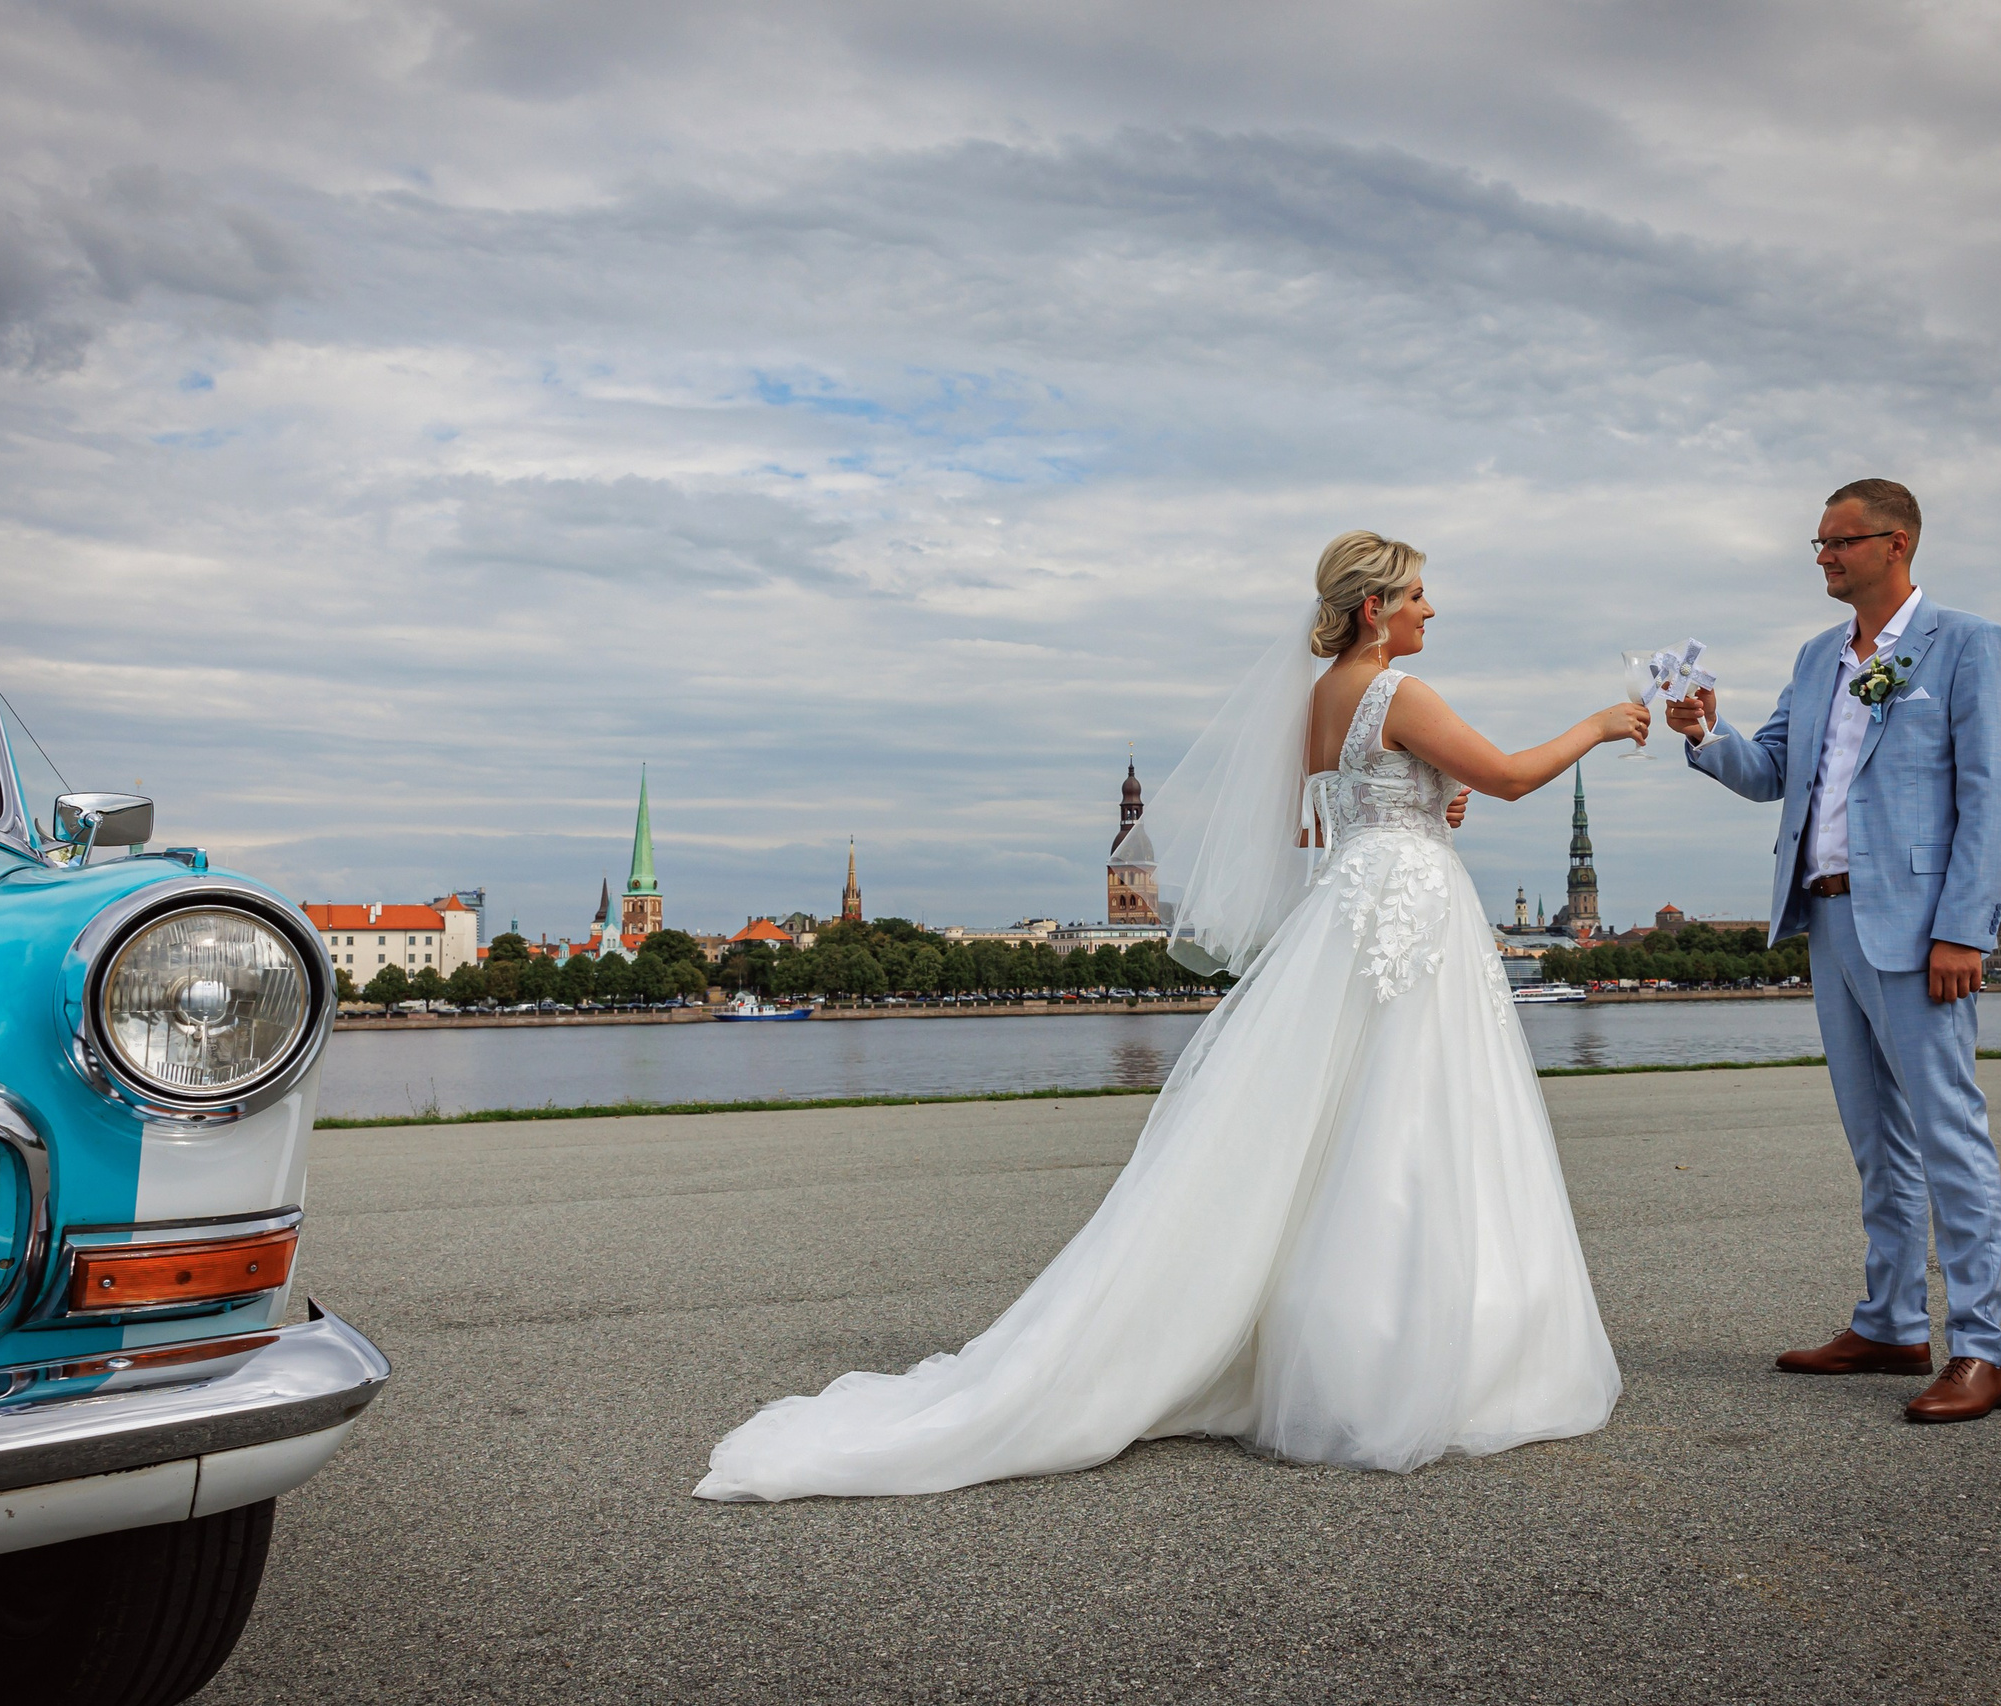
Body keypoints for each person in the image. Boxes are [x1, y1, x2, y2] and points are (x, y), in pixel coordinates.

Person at [695, 531, 1651, 1500]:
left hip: (1352, 904)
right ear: (1374, 608)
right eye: (1416, 596)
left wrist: (1418, 803)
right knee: (1411, 1120)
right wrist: (1602, 725)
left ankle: (1328, 1342)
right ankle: (1411, 1350)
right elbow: (1516, 775)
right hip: (1412, 908)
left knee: (1341, 1123)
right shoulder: (1397, 695)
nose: (1428, 611)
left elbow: (1307, 826)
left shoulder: (1318, 701)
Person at [1666, 479, 2001, 1423]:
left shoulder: (1970, 645)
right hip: (1826, 922)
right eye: (1817, 544)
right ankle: (1892, 1325)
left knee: (1948, 1130)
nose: (1822, 556)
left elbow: (1992, 794)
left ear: (1894, 543)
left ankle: (1982, 1352)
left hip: (1917, 927)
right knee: (1877, 1140)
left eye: (1838, 541)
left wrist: (1964, 928)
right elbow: (1770, 771)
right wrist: (1707, 732)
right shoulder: (1820, 655)